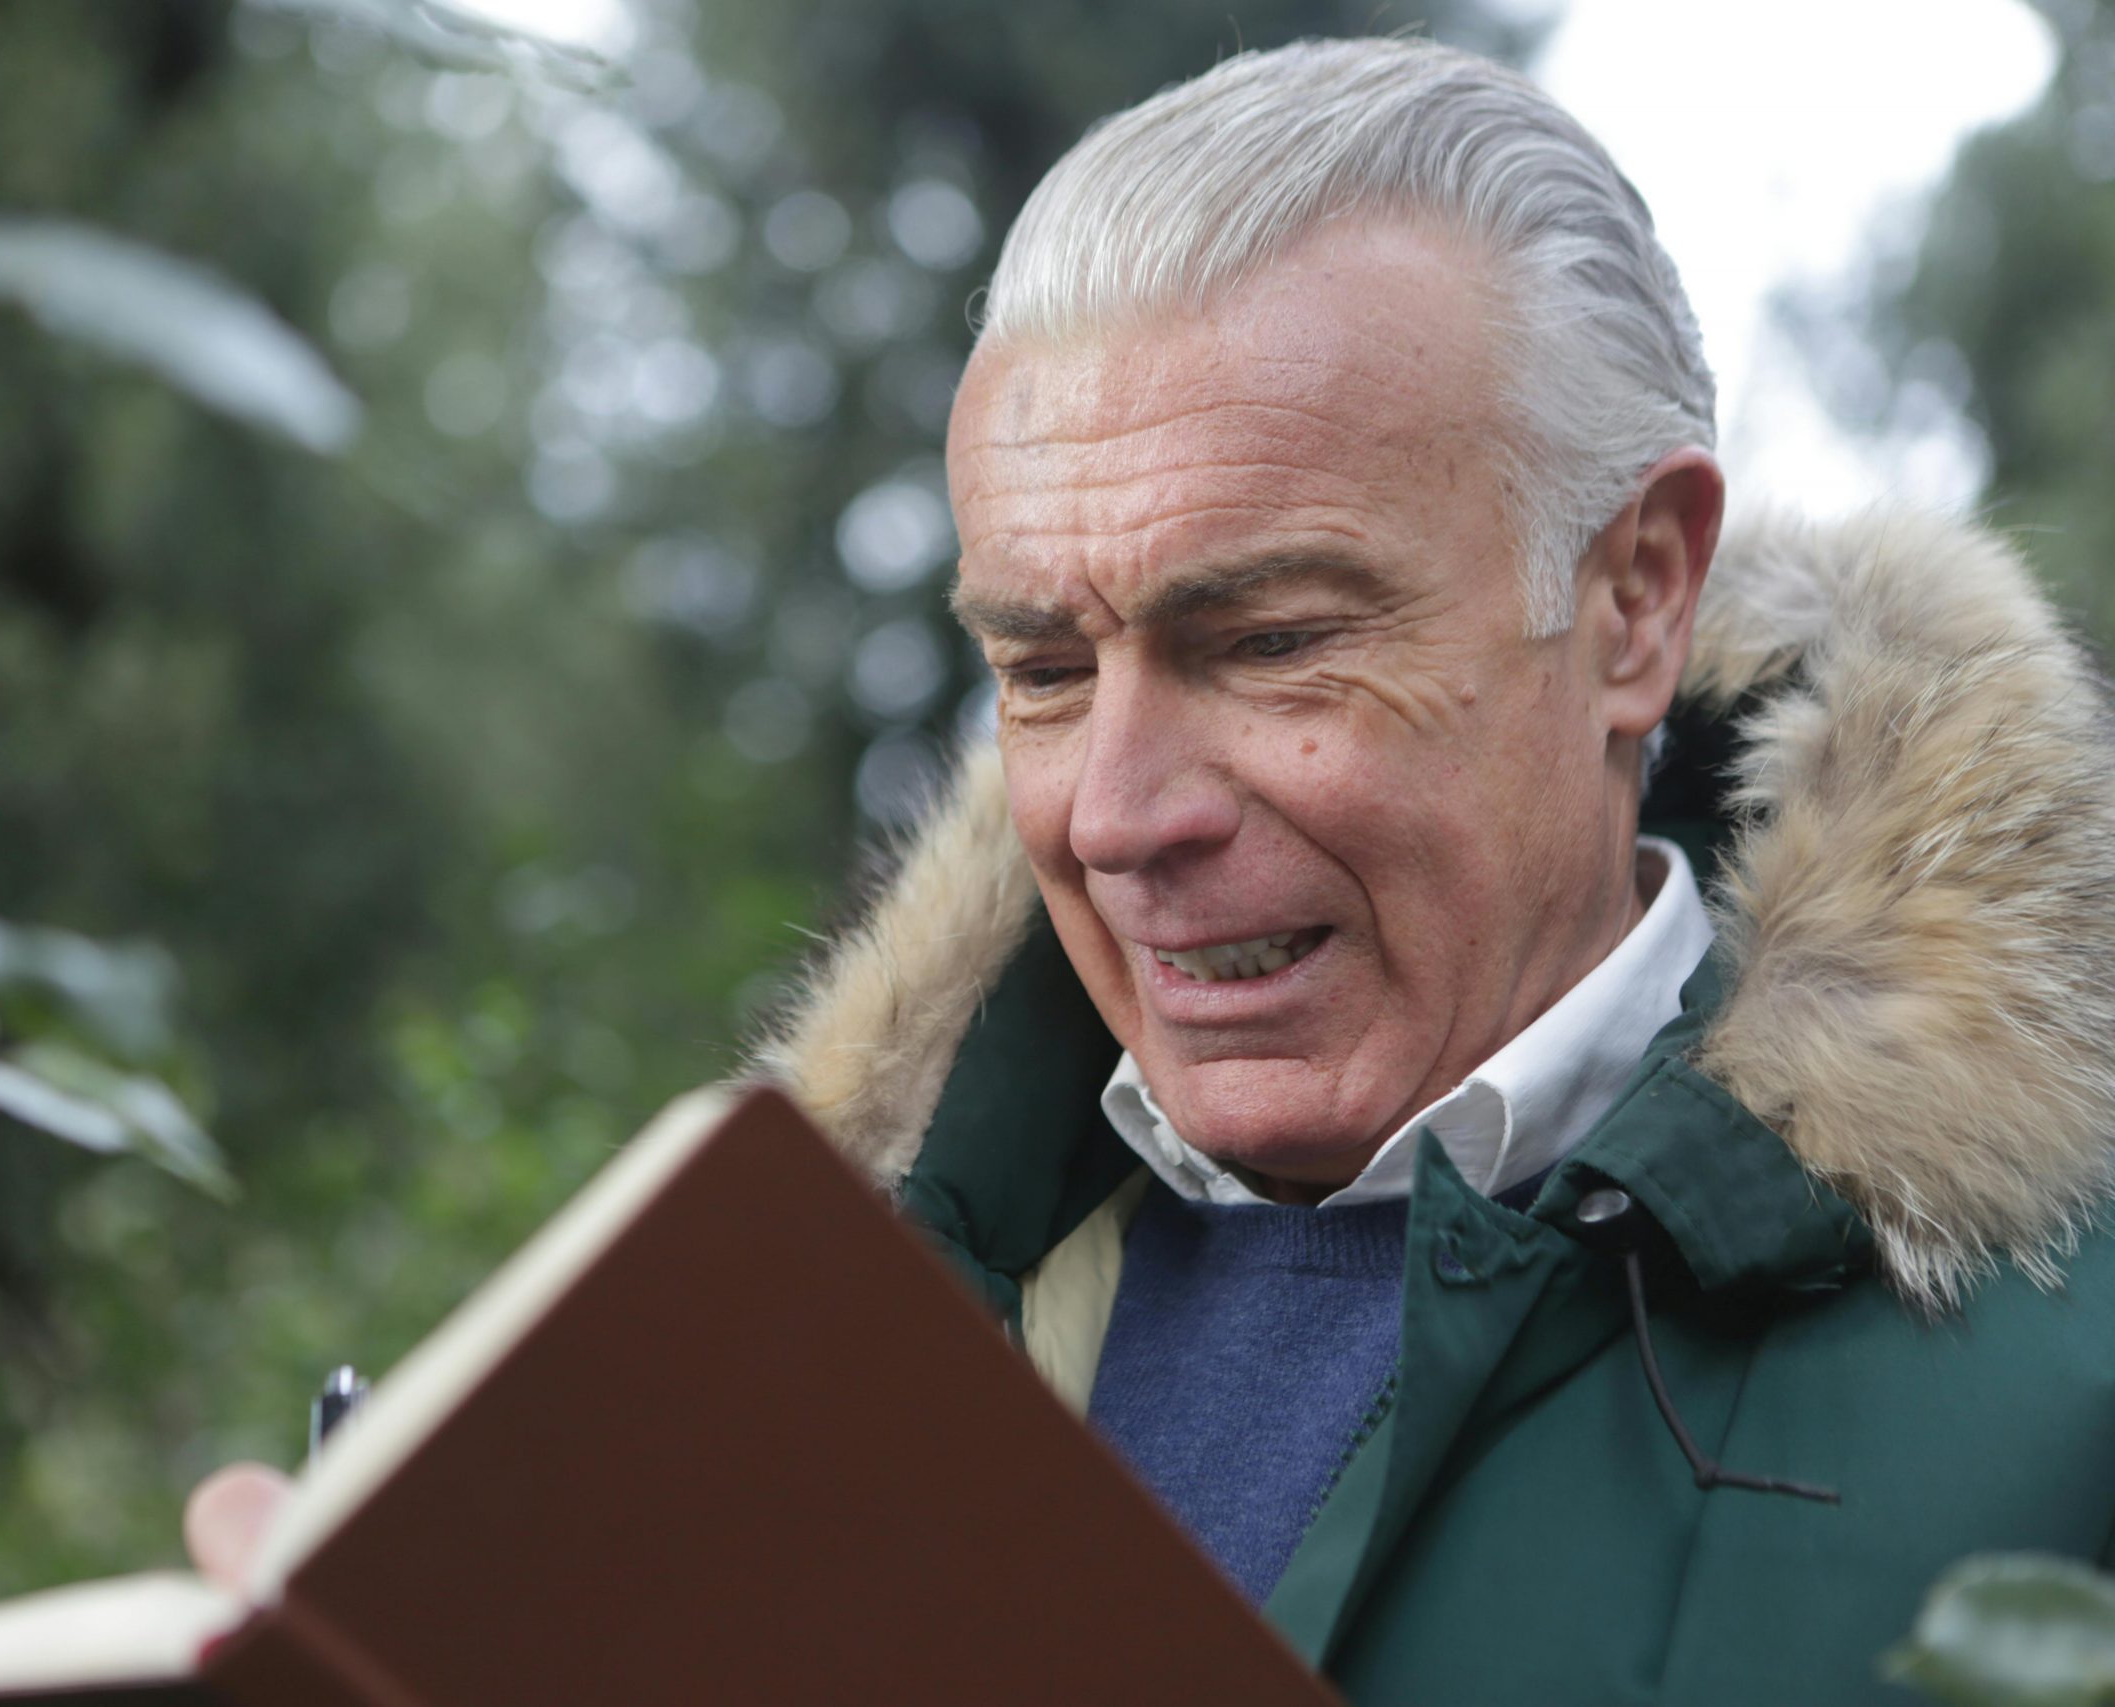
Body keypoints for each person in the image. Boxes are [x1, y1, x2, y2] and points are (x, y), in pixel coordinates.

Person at [195, 36, 2115, 1702]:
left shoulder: (2062, 1377)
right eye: (1040, 668)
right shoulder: (787, 1365)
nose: (1116, 816)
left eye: (1271, 639)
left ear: (1630, 602)